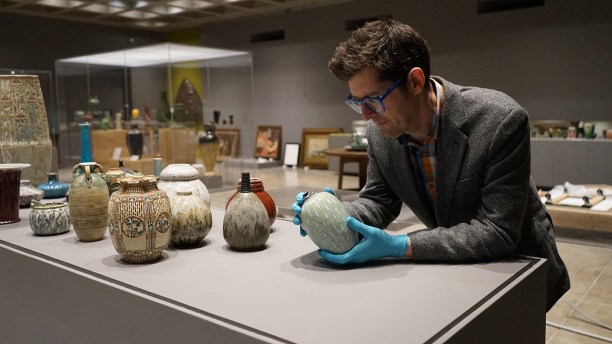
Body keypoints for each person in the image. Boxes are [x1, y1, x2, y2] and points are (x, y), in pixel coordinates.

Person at [292, 18, 569, 311]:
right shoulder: (381, 131)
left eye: (373, 100)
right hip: (455, 264)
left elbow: (498, 230)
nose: (365, 116)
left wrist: (400, 246)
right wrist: (333, 213)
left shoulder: (500, 120)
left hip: (517, 268)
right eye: (356, 101)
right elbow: (379, 200)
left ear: (415, 81)